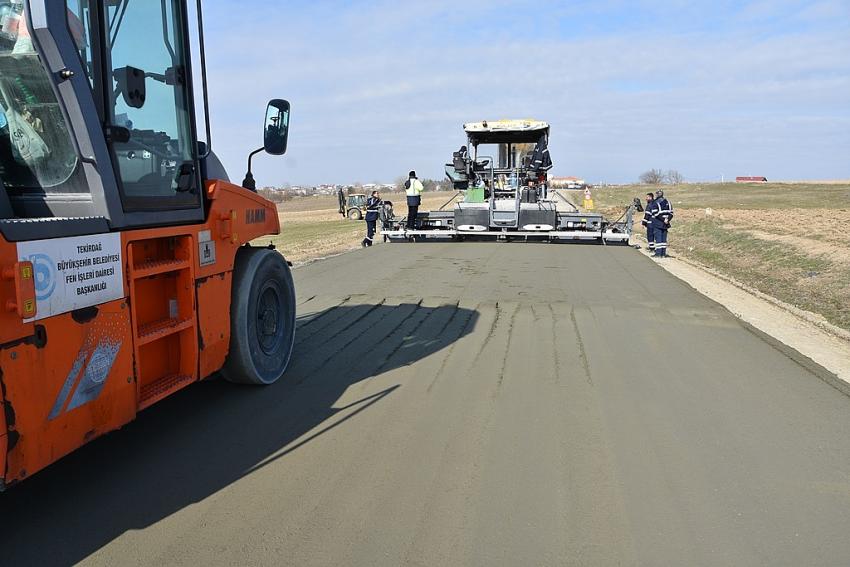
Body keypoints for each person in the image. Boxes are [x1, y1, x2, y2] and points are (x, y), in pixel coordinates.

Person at [648, 189, 673, 257]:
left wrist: (663, 219)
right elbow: (671, 213)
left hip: (658, 223)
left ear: (657, 194)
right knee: (664, 239)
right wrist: (667, 219)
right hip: (666, 223)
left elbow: (655, 213)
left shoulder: (655, 202)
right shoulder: (668, 202)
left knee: (658, 238)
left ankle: (658, 253)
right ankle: (663, 253)